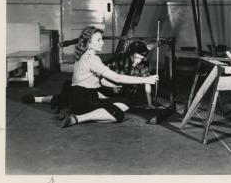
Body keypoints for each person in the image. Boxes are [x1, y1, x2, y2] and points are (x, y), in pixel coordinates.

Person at [25, 26, 158, 128]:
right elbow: (117, 77)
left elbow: (99, 80)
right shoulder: (92, 59)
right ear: (88, 43)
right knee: (118, 113)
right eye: (98, 40)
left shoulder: (83, 55)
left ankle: (40, 99)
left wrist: (114, 85)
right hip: (84, 97)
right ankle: (77, 118)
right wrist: (145, 79)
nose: (102, 43)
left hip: (79, 94)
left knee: (122, 101)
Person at [22, 41, 154, 114]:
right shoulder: (116, 61)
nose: (137, 61)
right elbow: (100, 77)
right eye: (135, 57)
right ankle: (37, 99)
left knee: (72, 96)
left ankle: (58, 97)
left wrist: (150, 104)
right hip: (103, 91)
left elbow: (147, 84)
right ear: (129, 54)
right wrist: (113, 85)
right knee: (72, 97)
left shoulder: (142, 66)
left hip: (121, 96)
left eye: (141, 58)